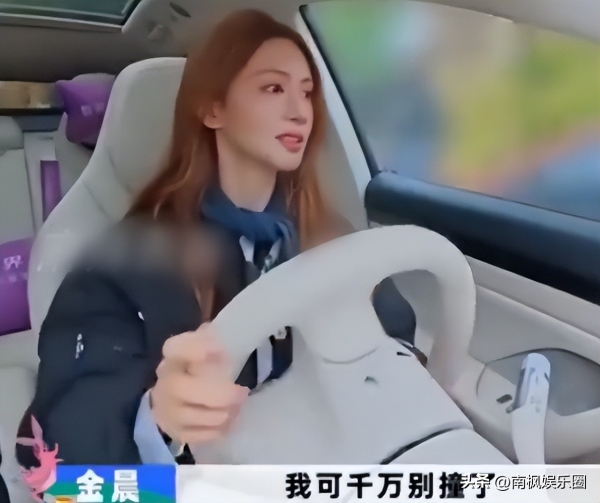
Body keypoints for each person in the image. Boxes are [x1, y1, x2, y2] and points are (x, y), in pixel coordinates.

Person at [16, 9, 416, 470]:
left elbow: (399, 342)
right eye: (273, 88)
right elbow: (56, 470)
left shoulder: (328, 235)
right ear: (212, 109)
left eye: (307, 92)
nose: (299, 111)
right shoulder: (126, 260)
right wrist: (156, 420)